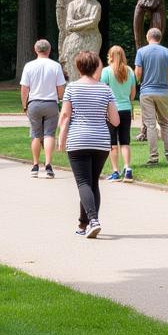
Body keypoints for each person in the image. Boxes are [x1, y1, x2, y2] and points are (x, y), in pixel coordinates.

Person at [58, 50, 119, 238]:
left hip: (78, 140)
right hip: (101, 141)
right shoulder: (105, 89)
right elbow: (115, 120)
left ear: (78, 67)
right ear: (95, 67)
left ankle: (93, 220)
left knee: (83, 182)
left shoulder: (72, 88)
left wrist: (61, 138)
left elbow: (66, 115)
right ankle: (83, 225)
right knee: (92, 183)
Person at [19, 39, 67, 178]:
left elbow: (24, 88)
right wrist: (59, 99)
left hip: (34, 102)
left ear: (36, 50)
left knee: (35, 135)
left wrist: (24, 105)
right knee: (49, 134)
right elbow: (60, 87)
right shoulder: (55, 66)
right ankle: (48, 165)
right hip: (50, 102)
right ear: (49, 50)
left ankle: (35, 165)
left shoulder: (29, 66)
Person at [134, 27, 168, 166]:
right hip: (163, 91)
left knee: (150, 125)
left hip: (146, 92)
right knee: (165, 123)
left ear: (148, 37)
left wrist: (141, 81)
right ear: (160, 38)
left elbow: (138, 73)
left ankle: (153, 158)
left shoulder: (141, 52)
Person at [101, 45, 136, 181]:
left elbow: (104, 92)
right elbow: (133, 94)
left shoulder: (106, 71)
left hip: (111, 110)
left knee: (112, 143)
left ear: (110, 55)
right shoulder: (130, 71)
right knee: (125, 141)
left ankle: (115, 171)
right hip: (126, 109)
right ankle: (127, 168)